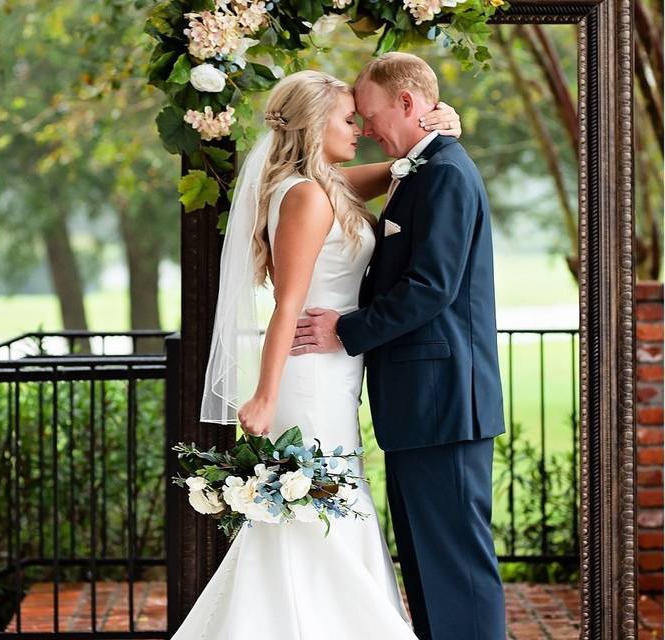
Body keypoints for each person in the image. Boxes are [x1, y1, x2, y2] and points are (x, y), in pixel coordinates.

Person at [173, 69, 462, 639]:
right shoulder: (306, 196)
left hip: (335, 371)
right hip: (307, 373)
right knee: (312, 514)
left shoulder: (326, 185)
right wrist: (264, 395)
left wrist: (445, 126)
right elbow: (287, 305)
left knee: (324, 508)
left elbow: (406, 165)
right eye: (347, 120)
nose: (359, 129)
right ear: (313, 127)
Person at [291, 53, 507, 640]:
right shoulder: (421, 169)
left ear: (407, 104)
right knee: (429, 568)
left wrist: (346, 329)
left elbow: (430, 287)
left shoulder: (446, 174)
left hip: (444, 405)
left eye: (369, 112)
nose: (364, 127)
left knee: (458, 569)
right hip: (422, 406)